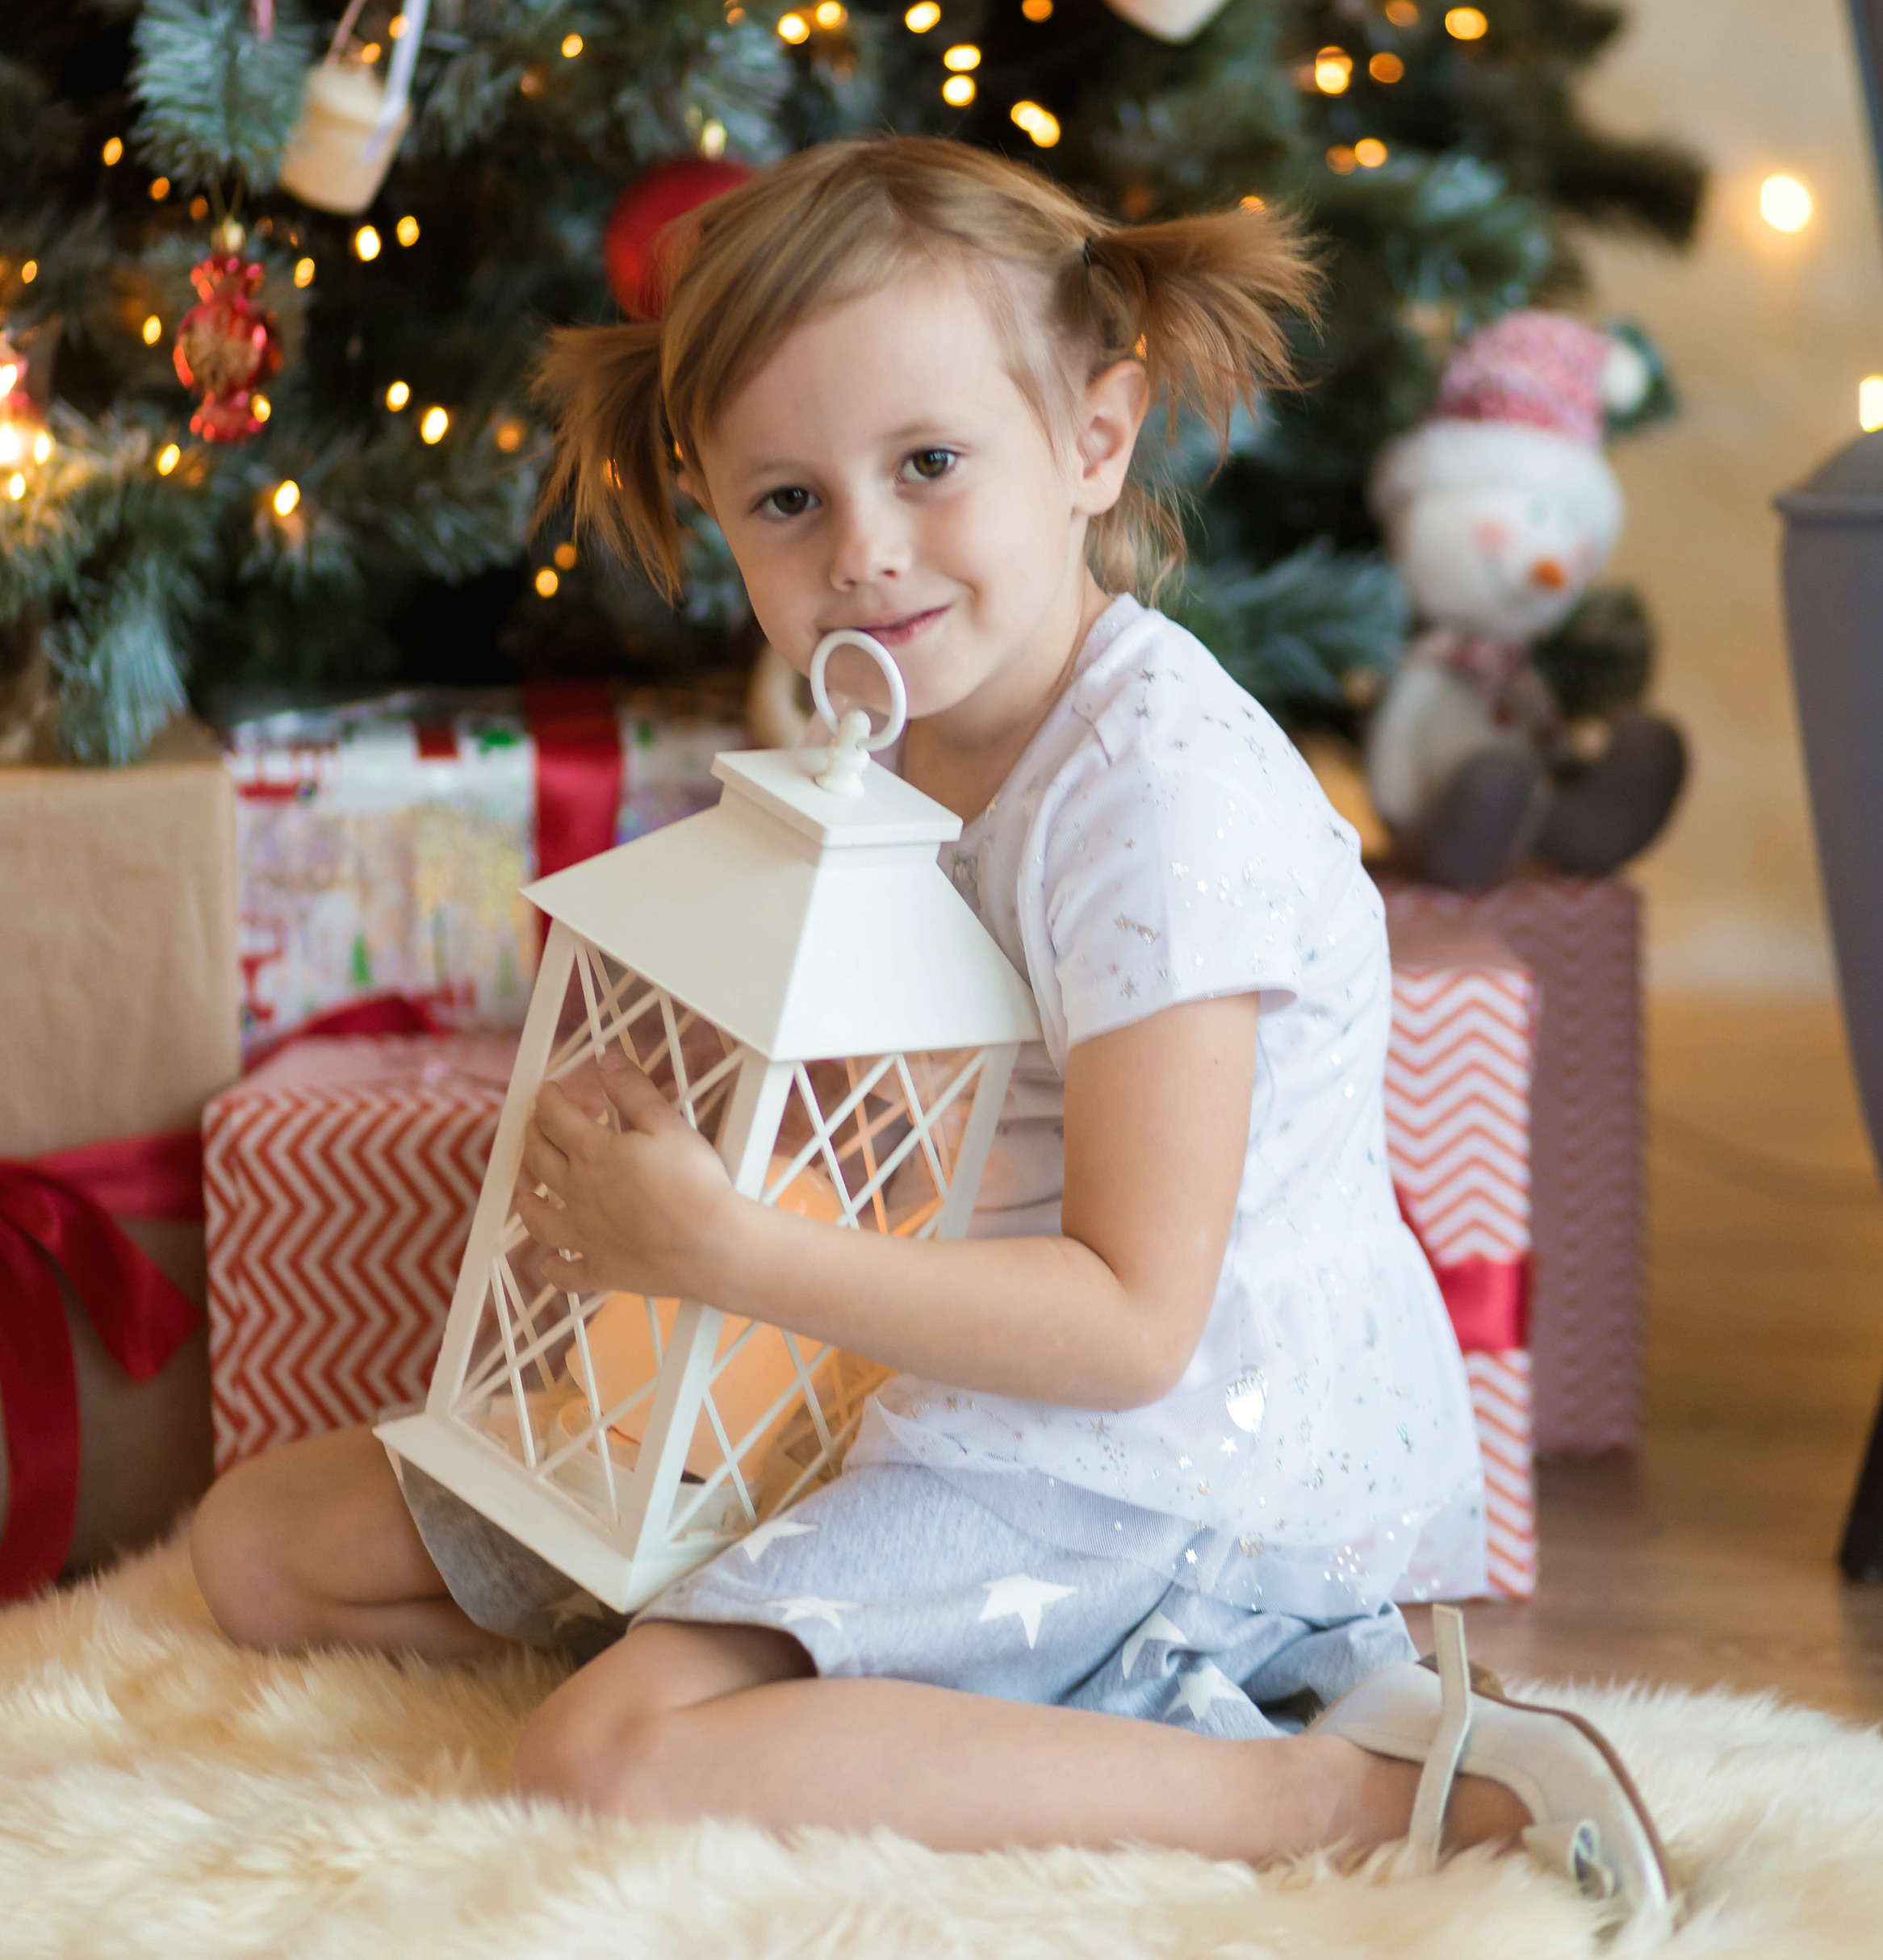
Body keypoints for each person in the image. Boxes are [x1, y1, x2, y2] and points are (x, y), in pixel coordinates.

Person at [193, 138, 1668, 1915]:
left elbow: (1135, 1327)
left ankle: (1330, 1788)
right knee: (266, 1553)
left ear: (1094, 440)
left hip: (1151, 1473)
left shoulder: (1154, 814)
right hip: (885, 1362)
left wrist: (727, 1250)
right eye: (788, 501)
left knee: (602, 1760)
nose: (867, 556)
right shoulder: (885, 735)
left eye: (931, 464)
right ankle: (810, 1638)